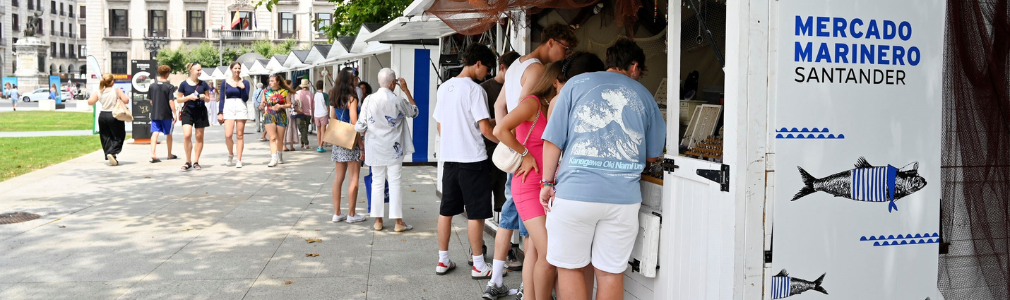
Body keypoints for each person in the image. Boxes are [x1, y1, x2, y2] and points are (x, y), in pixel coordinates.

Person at [540, 39, 665, 300]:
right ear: (634, 67)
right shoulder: (645, 96)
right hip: (623, 200)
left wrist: (547, 183)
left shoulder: (575, 84)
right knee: (610, 274)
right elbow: (653, 155)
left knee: (570, 269)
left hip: (575, 194)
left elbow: (553, 140)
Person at [488, 23, 579, 300]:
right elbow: (499, 127)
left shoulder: (552, 106)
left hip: (544, 185)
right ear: (555, 82)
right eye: (566, 85)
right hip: (527, 185)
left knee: (537, 251)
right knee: (549, 252)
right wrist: (525, 153)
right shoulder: (532, 103)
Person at [432, 44, 499, 279]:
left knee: (446, 211)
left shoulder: (444, 88)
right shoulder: (475, 90)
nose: (488, 74)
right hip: (473, 159)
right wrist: (506, 141)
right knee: (476, 213)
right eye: (487, 68)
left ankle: (442, 260)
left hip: (449, 159)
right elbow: (485, 129)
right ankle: (479, 265)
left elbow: (440, 125)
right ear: (478, 63)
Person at [479, 51, 526, 296]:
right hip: (529, 161)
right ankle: (527, 287)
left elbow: (499, 113)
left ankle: (495, 281)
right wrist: (519, 148)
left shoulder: (510, 84)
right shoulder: (534, 92)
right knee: (530, 226)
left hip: (512, 159)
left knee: (507, 217)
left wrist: (508, 144)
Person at [355, 69, 418, 232]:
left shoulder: (369, 99)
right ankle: (398, 222)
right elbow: (414, 112)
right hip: (394, 148)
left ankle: (378, 221)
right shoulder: (398, 100)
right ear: (393, 83)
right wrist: (406, 90)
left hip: (375, 148)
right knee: (395, 182)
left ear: (378, 82)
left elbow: (360, 125)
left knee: (377, 182)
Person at [328, 67, 366, 224]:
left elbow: (332, 118)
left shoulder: (333, 95)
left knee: (338, 178)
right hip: (351, 140)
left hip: (338, 139)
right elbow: (354, 122)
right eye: (356, 79)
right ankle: (351, 214)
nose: (357, 81)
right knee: (354, 178)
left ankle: (337, 213)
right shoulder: (352, 98)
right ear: (351, 80)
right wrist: (361, 145)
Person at [176, 63, 212, 171]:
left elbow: (209, 99)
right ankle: (188, 161)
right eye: (198, 70)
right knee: (187, 135)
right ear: (191, 71)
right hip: (188, 111)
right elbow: (178, 99)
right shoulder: (183, 84)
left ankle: (196, 161)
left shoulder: (204, 84)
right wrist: (188, 97)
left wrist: (204, 97)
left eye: (200, 70)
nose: (200, 72)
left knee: (199, 137)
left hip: (200, 111)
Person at [87, 74, 130, 166]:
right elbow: (126, 100)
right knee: (119, 135)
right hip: (114, 114)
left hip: (102, 115)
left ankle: (111, 155)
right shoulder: (116, 91)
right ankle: (112, 152)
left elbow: (90, 102)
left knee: (105, 136)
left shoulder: (99, 91)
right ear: (112, 82)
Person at [217, 62, 252, 168]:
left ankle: (239, 159)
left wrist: (242, 88)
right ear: (231, 69)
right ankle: (230, 154)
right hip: (229, 107)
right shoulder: (225, 82)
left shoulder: (245, 82)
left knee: (239, 135)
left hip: (241, 107)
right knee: (228, 134)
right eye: (235, 68)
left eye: (239, 68)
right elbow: (222, 98)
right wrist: (220, 112)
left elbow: (246, 98)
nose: (237, 70)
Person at [259, 74, 293, 167]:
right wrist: (262, 104)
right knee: (272, 138)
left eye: (273, 81)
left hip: (281, 115)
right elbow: (262, 103)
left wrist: (281, 106)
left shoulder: (285, 91)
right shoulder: (265, 91)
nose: (270, 83)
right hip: (269, 115)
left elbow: (289, 104)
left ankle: (280, 155)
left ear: (278, 82)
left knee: (280, 139)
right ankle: (273, 158)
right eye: (270, 81)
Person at [149, 65, 179, 163]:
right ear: (167, 74)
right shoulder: (170, 87)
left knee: (155, 132)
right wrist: (175, 113)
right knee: (169, 133)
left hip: (155, 113)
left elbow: (151, 101)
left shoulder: (152, 86)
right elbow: (171, 101)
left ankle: (153, 153)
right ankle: (169, 154)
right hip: (166, 114)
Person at [294, 79, 314, 150]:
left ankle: (306, 143)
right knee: (305, 128)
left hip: (300, 112)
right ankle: (302, 142)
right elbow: (312, 105)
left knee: (302, 128)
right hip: (309, 113)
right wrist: (313, 115)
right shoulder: (311, 93)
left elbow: (295, 103)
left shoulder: (297, 93)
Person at [313, 80, 330, 152]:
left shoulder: (315, 95)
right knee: (323, 131)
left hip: (316, 114)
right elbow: (328, 106)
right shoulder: (325, 95)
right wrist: (329, 113)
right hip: (323, 113)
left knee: (318, 131)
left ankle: (319, 144)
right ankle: (321, 146)